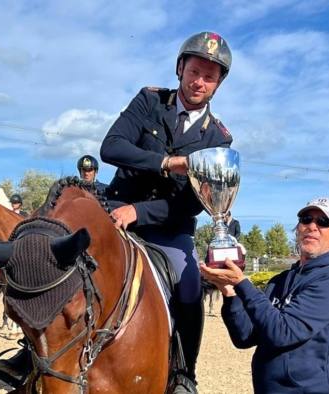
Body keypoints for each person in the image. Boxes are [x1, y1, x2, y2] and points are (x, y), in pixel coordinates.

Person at [97, 31, 234, 394]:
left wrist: (138, 214)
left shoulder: (218, 139)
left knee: (188, 282)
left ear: (219, 84)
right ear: (180, 68)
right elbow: (111, 147)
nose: (199, 82)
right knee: (66, 252)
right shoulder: (149, 101)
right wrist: (165, 162)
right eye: (194, 71)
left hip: (168, 226)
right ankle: (35, 349)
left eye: (209, 76)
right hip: (113, 209)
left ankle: (185, 374)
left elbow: (194, 201)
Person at [200, 197, 329, 394]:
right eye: (306, 219)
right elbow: (245, 336)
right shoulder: (280, 280)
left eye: (324, 222)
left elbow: (283, 333)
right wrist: (231, 293)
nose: (312, 226)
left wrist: (242, 284)